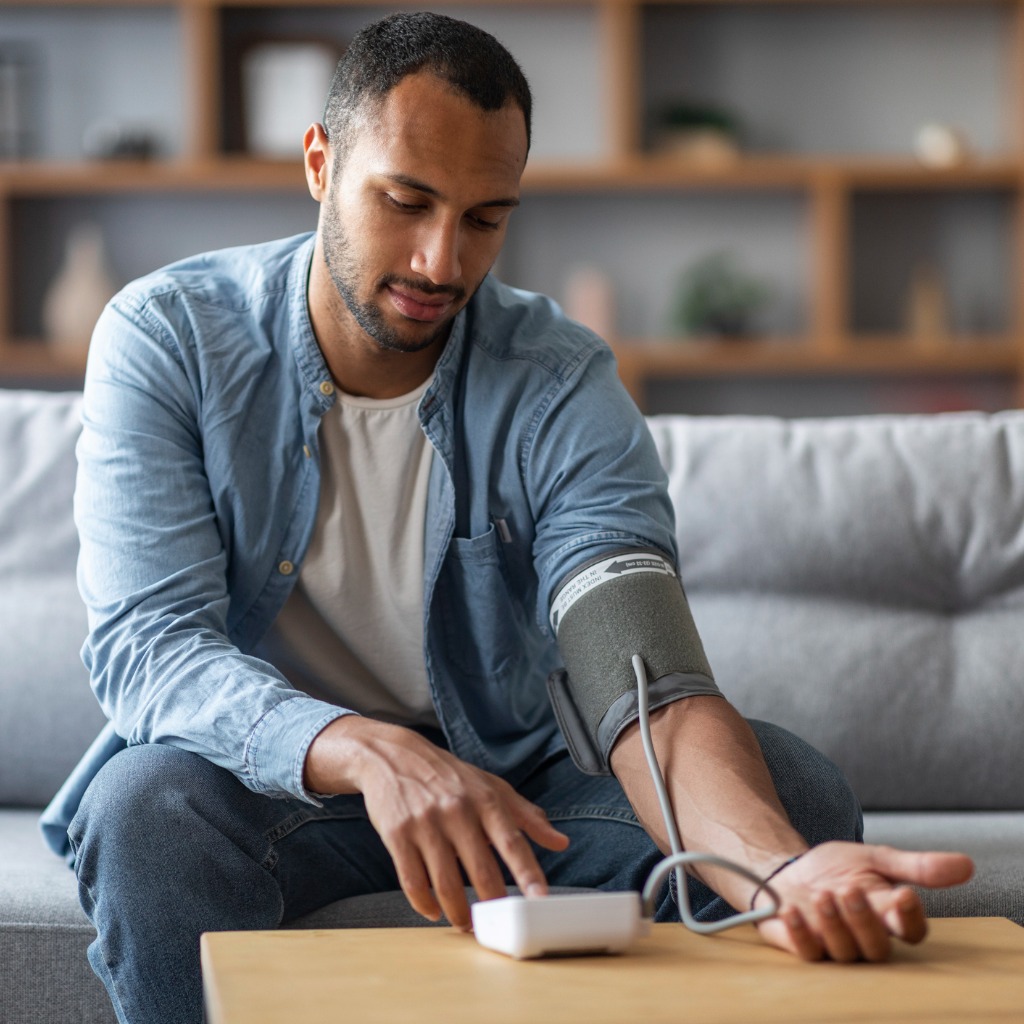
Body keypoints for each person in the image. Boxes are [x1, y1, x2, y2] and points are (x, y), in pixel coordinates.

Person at [42, 12, 973, 1024]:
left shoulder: (559, 381)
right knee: (145, 811)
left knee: (793, 795)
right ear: (319, 163)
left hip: (512, 787)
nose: (442, 261)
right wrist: (371, 751)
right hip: (272, 786)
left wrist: (773, 867)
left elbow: (640, 675)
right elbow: (150, 648)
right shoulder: (167, 338)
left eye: (485, 218)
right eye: (405, 201)